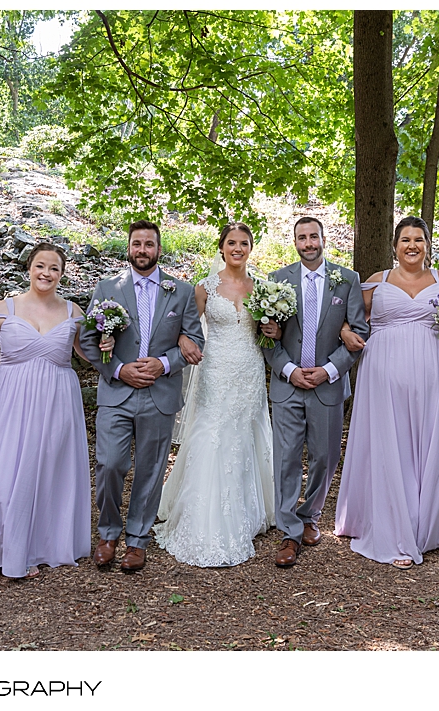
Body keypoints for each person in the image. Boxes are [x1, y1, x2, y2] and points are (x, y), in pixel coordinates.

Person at [0, 244, 92, 579]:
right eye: (40, 266)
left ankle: (38, 546)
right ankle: (0, 546)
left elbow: (88, 354)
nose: (46, 273)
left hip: (58, 396)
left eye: (54, 268)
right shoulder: (5, 307)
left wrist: (107, 344)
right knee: (2, 472)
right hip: (11, 397)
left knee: (47, 469)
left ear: (62, 273)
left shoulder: (74, 312)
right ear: (29, 269)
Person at [333, 216, 439, 570]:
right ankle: (390, 528)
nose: (412, 245)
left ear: (427, 245)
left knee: (429, 445)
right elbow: (345, 316)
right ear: (394, 245)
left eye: (419, 240)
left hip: (436, 377)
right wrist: (346, 330)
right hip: (383, 377)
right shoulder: (377, 282)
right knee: (390, 445)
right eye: (405, 239)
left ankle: (427, 526)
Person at [79, 219, 204, 572]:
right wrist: (119, 369)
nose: (143, 250)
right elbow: (89, 340)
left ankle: (137, 539)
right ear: (129, 247)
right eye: (137, 244)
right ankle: (108, 532)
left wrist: (163, 364)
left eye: (149, 244)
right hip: (117, 391)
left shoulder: (179, 291)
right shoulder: (107, 287)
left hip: (160, 393)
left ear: (159, 249)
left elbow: (196, 342)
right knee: (110, 463)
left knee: (150, 469)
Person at [154, 223, 275, 567]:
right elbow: (184, 329)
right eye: (231, 243)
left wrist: (273, 329)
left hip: (250, 370)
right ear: (221, 247)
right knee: (213, 434)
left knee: (246, 433)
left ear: (251, 247)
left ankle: (250, 511)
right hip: (216, 369)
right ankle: (204, 516)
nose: (238, 248)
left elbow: (273, 331)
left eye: (244, 243)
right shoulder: (205, 287)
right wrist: (182, 342)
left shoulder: (263, 287)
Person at [260, 216, 368, 567]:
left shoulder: (346, 280)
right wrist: (290, 371)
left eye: (313, 236)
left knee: (324, 456)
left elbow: (358, 334)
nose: (308, 243)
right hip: (288, 385)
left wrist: (328, 370)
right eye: (301, 237)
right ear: (294, 242)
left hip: (328, 384)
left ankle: (310, 515)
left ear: (324, 239)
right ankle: (289, 532)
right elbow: (265, 336)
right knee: (287, 457)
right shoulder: (277, 281)